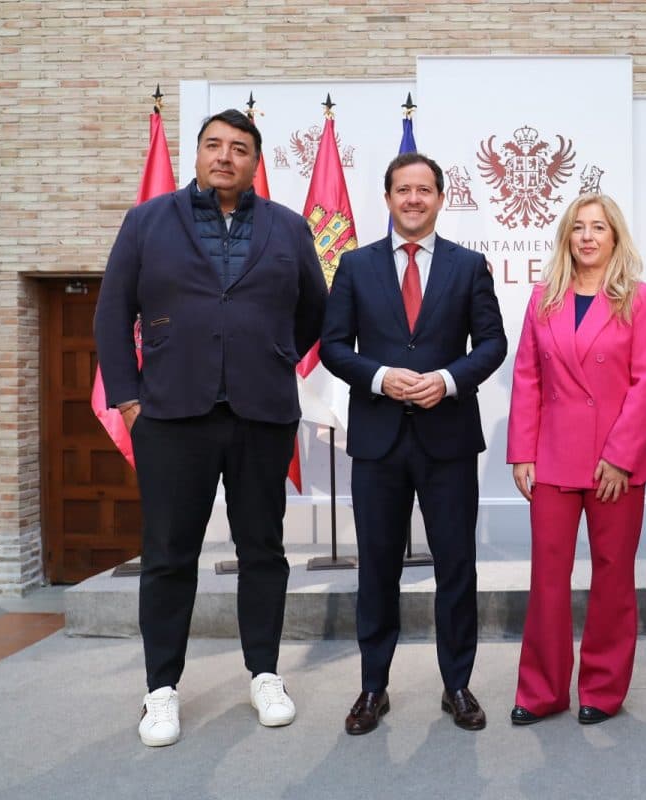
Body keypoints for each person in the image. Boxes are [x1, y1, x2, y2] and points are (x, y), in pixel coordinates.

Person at [94, 109, 327, 747]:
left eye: (240, 148)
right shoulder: (148, 222)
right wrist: (130, 401)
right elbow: (113, 313)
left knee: (263, 553)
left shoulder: (287, 227)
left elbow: (313, 312)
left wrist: (274, 356)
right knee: (169, 558)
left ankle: (265, 674)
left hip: (261, 415)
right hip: (170, 416)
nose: (225, 156)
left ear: (256, 161)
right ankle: (161, 690)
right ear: (197, 154)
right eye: (214, 146)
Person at [319, 152, 507, 735]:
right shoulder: (354, 265)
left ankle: (457, 685)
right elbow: (332, 346)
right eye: (403, 190)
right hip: (377, 441)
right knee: (377, 569)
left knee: (457, 567)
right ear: (388, 197)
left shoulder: (468, 266)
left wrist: (448, 381)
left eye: (424, 190)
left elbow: (493, 344)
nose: (414, 199)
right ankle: (373, 686)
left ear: (440, 198)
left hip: (447, 439)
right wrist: (378, 377)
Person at [506, 194, 646, 726]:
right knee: (547, 579)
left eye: (599, 227)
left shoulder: (640, 299)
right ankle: (542, 691)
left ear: (615, 236)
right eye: (578, 228)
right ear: (566, 238)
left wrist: (620, 456)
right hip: (551, 459)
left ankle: (602, 688)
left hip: (614, 463)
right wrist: (522, 452)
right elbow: (527, 377)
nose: (588, 237)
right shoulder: (542, 299)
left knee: (613, 578)